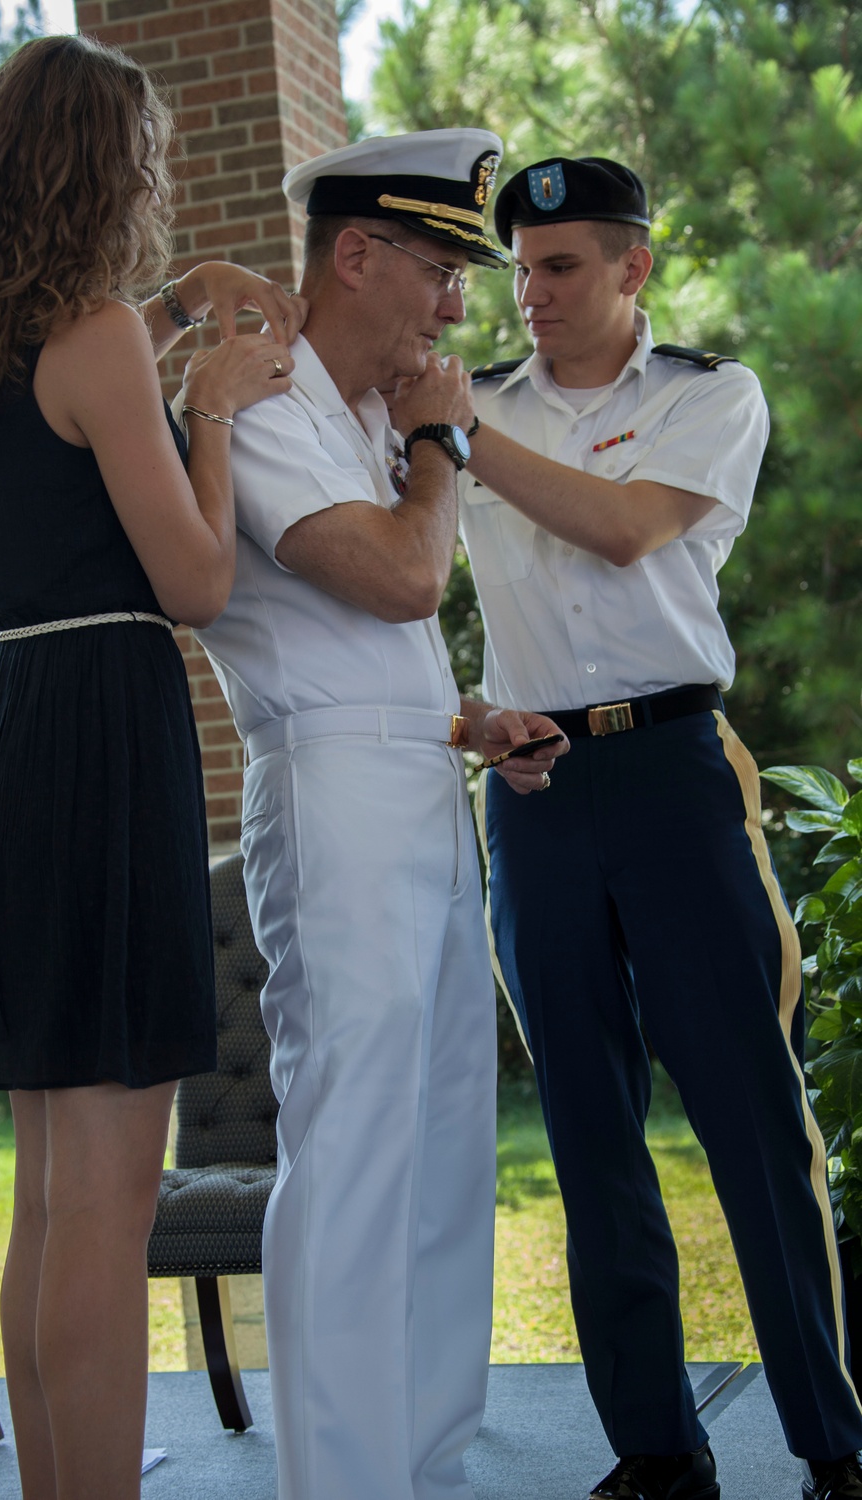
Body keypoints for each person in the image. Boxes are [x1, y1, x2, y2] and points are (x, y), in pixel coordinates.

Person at [0, 34, 304, 1500]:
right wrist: (213, 405)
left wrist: (178, 312)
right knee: (111, 1200)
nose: (160, 179)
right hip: (104, 737)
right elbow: (195, 581)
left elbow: (76, 450)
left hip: (13, 735)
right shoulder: (102, 336)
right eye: (145, 156)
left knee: (52, 1193)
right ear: (102, 165)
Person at [457, 154, 862, 1500]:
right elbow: (403, 599)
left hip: (679, 774)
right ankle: (655, 1453)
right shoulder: (481, 410)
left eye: (561, 267)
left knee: (753, 1115)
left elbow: (627, 531)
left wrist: (455, 435)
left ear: (634, 268)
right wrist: (474, 721)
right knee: (586, 1126)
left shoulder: (707, 394)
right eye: (518, 269)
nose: (531, 295)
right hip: (536, 799)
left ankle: (834, 1444)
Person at [190, 129, 567, 1500]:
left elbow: (401, 643)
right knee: (352, 1133)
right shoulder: (272, 406)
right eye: (442, 271)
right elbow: (405, 581)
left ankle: (424, 1454)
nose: (459, 307)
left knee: (446, 1123)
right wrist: (439, 439)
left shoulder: (358, 419)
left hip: (421, 777)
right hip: (334, 800)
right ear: (358, 255)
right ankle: (343, 1477)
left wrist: (479, 726)